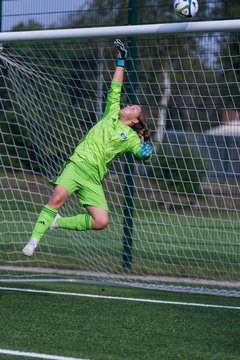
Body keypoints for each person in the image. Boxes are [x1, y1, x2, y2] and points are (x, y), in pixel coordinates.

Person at [22, 39, 153, 257]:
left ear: (134, 121)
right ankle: (34, 240)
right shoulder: (111, 112)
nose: (128, 105)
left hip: (93, 178)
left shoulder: (130, 137)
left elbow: (140, 152)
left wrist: (146, 153)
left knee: (101, 221)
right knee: (56, 198)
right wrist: (121, 60)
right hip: (78, 164)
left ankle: (58, 223)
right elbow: (115, 87)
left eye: (133, 108)